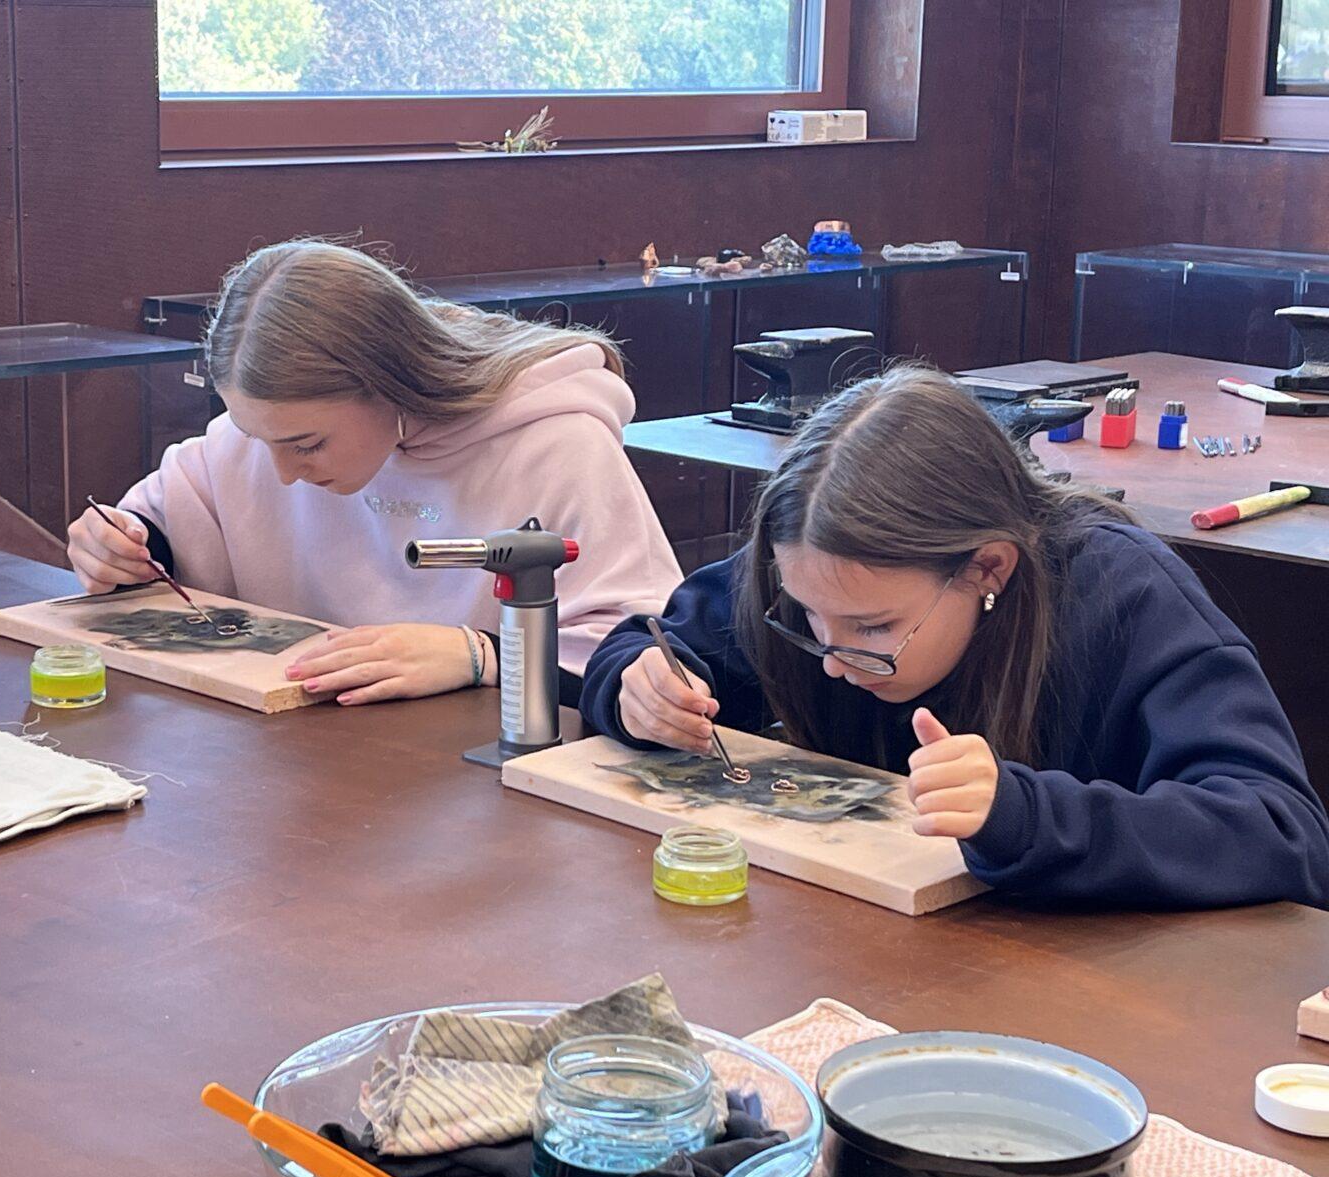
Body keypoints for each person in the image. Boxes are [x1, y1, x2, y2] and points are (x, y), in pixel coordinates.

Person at [580, 365, 1329, 908]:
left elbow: (1283, 833)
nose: (832, 660)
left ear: (988, 568)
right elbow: (655, 644)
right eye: (806, 617)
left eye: (874, 628)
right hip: (855, 938)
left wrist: (1027, 815)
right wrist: (637, 686)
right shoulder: (818, 565)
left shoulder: (1124, 597)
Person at [68, 240, 680, 705]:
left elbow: (642, 659)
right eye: (257, 438)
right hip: (310, 762)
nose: (282, 473)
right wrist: (122, 546)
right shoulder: (275, 424)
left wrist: (483, 655)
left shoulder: (557, 443)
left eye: (307, 445)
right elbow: (165, 518)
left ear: (390, 383)